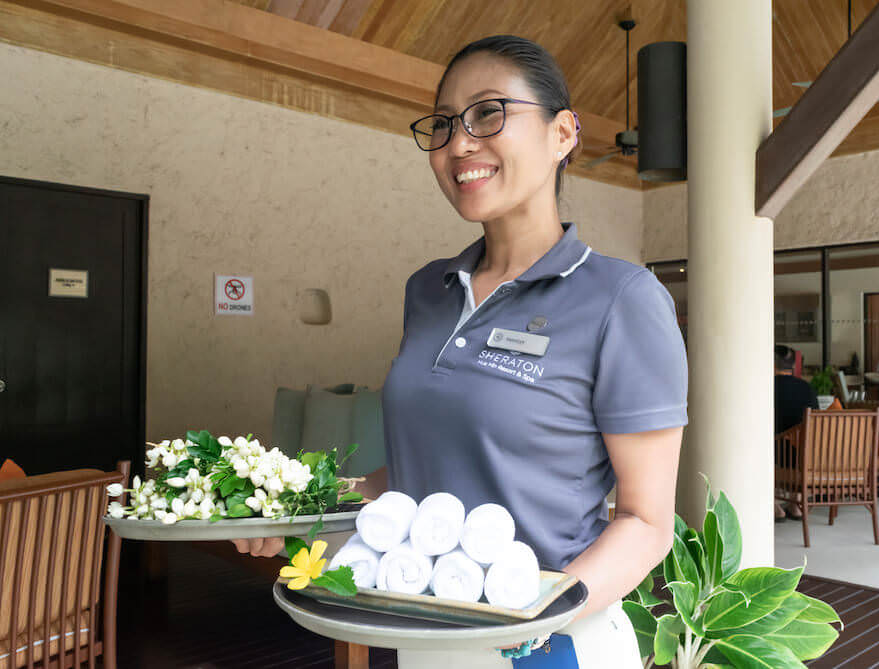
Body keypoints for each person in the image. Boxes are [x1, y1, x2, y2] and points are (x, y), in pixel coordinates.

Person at [235, 35, 687, 668]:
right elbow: (416, 477)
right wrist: (297, 512)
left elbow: (645, 523)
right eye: (443, 123)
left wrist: (538, 614)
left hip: (548, 643)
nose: (458, 143)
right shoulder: (428, 290)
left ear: (563, 134)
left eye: (488, 113)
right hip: (428, 629)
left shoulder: (621, 298)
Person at [774, 345, 818, 521]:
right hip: (805, 457)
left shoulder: (767, 387)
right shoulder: (807, 388)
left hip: (778, 455)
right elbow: (815, 424)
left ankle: (775, 505)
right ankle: (795, 503)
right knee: (797, 440)